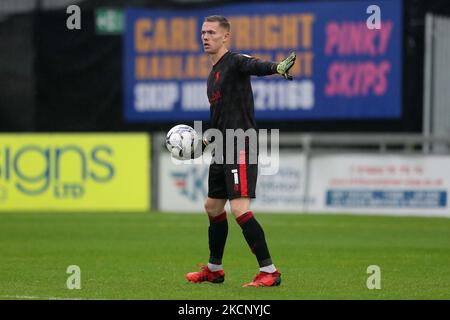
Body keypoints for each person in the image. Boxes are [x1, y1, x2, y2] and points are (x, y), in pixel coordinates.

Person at [185, 15, 296, 287]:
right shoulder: (212, 76)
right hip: (222, 147)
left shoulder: (234, 61)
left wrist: (277, 67)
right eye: (203, 32)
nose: (205, 37)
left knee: (240, 208)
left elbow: (253, 65)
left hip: (240, 145)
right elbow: (219, 120)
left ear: (226, 37)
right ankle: (214, 269)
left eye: (212, 32)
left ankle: (269, 271)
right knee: (212, 206)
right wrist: (203, 143)